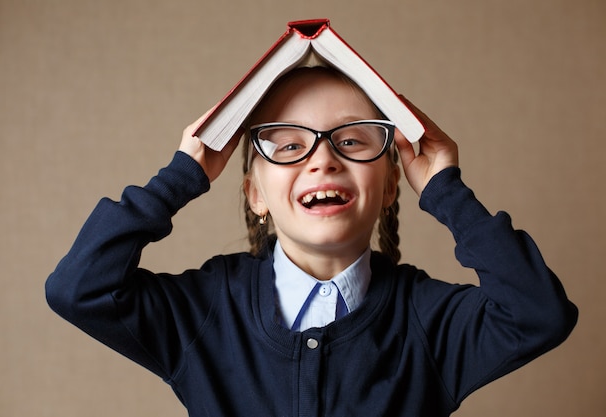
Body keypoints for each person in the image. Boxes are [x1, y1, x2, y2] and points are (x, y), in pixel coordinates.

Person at [46, 66, 577, 416]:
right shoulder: (205, 310)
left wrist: (446, 192)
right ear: (255, 192)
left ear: (393, 184)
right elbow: (79, 288)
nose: (323, 158)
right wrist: (182, 175)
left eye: (350, 140)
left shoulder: (430, 321)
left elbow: (539, 314)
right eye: (290, 144)